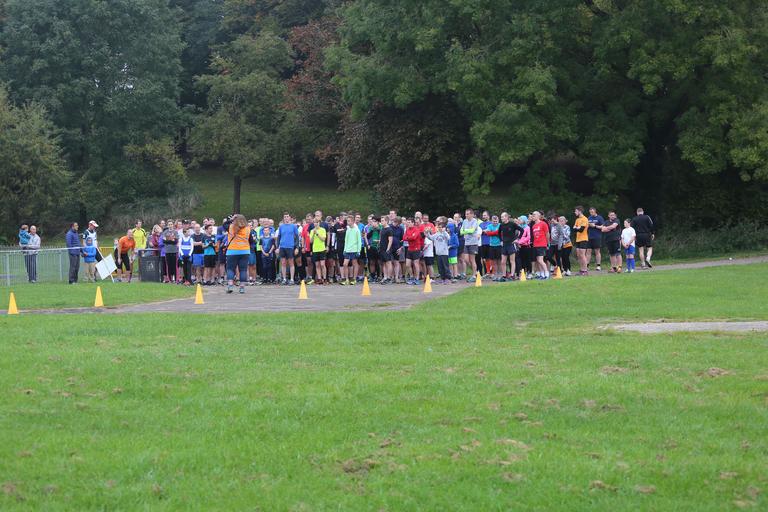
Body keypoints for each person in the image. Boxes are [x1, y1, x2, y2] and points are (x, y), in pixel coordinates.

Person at [225, 214, 251, 294]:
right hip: (244, 251)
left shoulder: (231, 227)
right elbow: (251, 240)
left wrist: (231, 219)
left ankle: (230, 285)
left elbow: (224, 224)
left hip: (232, 251)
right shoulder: (248, 228)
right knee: (243, 269)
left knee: (230, 269)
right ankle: (242, 287)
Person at [276, 212, 299, 285]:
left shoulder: (293, 226)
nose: (286, 218)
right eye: (285, 217)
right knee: (283, 263)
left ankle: (291, 279)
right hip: (282, 247)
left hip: (290, 247)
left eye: (287, 216)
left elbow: (297, 237)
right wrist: (277, 247)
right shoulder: (281, 226)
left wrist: (297, 248)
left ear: (289, 218)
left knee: (291, 263)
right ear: (283, 218)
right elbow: (279, 237)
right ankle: (284, 279)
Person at [460, 209, 480, 282]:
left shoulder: (474, 221)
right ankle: (476, 273)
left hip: (473, 243)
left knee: (472, 260)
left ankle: (474, 276)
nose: (466, 215)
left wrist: (465, 230)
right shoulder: (464, 221)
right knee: (466, 260)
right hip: (466, 243)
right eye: (466, 214)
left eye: (468, 214)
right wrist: (467, 230)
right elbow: (461, 232)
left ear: (472, 214)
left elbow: (472, 231)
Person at [341, 213, 362, 285]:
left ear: (353, 221)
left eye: (349, 221)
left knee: (354, 264)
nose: (348, 222)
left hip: (354, 250)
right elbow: (346, 240)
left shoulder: (357, 230)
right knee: (345, 264)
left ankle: (354, 279)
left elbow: (359, 241)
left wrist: (358, 251)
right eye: (347, 221)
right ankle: (346, 279)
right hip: (347, 250)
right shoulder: (348, 230)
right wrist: (345, 249)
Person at [531, 211, 550, 279]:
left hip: (542, 244)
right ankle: (542, 274)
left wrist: (547, 243)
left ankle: (547, 274)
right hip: (535, 245)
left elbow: (547, 234)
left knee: (540, 260)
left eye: (534, 215)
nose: (533, 216)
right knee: (538, 260)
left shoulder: (543, 224)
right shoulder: (533, 226)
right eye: (532, 215)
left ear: (538, 216)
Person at [573, 206, 589, 275]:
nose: (575, 212)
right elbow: (574, 229)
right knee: (579, 255)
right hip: (578, 239)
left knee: (582, 255)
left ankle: (585, 271)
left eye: (576, 211)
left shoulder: (585, 219)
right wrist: (577, 228)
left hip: (583, 239)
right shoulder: (577, 219)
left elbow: (581, 230)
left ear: (580, 211)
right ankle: (582, 270)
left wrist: (577, 228)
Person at [587, 207, 604, 271]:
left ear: (595, 211)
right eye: (590, 212)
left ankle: (598, 266)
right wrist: (588, 225)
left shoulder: (599, 218)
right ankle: (587, 266)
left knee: (597, 251)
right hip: (589, 237)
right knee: (588, 251)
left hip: (597, 237)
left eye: (592, 212)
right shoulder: (589, 218)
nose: (591, 213)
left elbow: (602, 227)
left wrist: (595, 226)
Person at [310, 220, 327, 284]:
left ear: (319, 223)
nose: (315, 224)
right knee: (317, 265)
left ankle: (324, 278)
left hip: (322, 249)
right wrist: (313, 234)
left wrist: (317, 233)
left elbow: (323, 239)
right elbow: (311, 241)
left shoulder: (323, 230)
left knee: (322, 264)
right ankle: (319, 278)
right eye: (314, 222)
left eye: (317, 222)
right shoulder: (312, 231)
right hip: (315, 249)